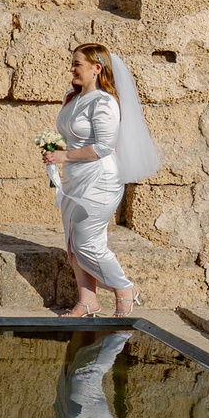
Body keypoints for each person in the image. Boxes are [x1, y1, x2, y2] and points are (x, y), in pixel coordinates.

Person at [40, 43, 159, 318]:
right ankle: (87, 301)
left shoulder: (105, 102)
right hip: (74, 177)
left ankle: (124, 288)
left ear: (97, 68)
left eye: (78, 63)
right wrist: (55, 151)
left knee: (88, 242)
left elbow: (104, 146)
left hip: (100, 180)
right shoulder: (73, 97)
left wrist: (64, 156)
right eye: (72, 63)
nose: (72, 68)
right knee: (72, 241)